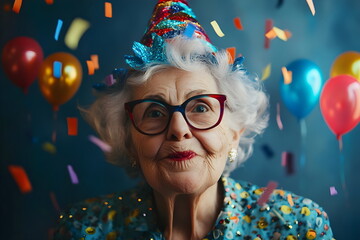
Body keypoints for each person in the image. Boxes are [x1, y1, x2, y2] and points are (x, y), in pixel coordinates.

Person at [54, 0, 334, 239]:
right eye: (154, 112)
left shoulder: (298, 227)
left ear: (234, 131)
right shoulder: (83, 229)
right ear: (129, 139)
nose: (178, 130)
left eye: (200, 108)